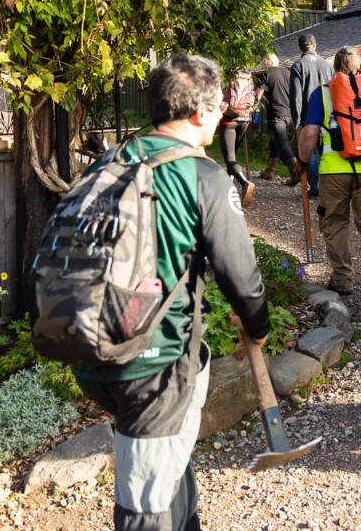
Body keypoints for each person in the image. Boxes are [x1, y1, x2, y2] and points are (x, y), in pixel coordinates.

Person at [72, 54, 270, 531]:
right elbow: (241, 276)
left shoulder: (110, 161)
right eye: (219, 106)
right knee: (146, 503)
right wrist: (258, 327)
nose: (222, 115)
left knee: (167, 463)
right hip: (153, 363)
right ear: (201, 112)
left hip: (88, 348)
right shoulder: (202, 176)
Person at [297, 46, 361, 304]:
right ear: (360, 66)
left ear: (333, 68)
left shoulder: (322, 93)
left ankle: (343, 279)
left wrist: (301, 162)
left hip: (333, 171)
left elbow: (310, 135)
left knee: (334, 222)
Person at [288, 33, 334, 197]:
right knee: (326, 151)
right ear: (315, 46)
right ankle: (327, 186)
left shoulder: (298, 66)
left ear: (300, 48)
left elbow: (295, 97)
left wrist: (297, 121)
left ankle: (315, 188)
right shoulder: (328, 66)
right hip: (328, 115)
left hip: (308, 115)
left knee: (310, 151)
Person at [257, 54, 300, 186]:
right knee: (275, 140)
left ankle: (295, 173)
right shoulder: (288, 74)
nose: (262, 64)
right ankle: (269, 171)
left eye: (263, 61)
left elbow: (258, 95)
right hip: (289, 115)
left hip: (277, 114)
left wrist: (252, 108)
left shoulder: (265, 73)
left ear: (267, 61)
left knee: (282, 144)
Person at [219, 67, 257, 207]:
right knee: (232, 156)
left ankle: (245, 183)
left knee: (230, 159)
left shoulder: (224, 73)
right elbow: (253, 96)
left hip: (228, 119)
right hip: (244, 119)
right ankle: (228, 190)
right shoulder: (247, 75)